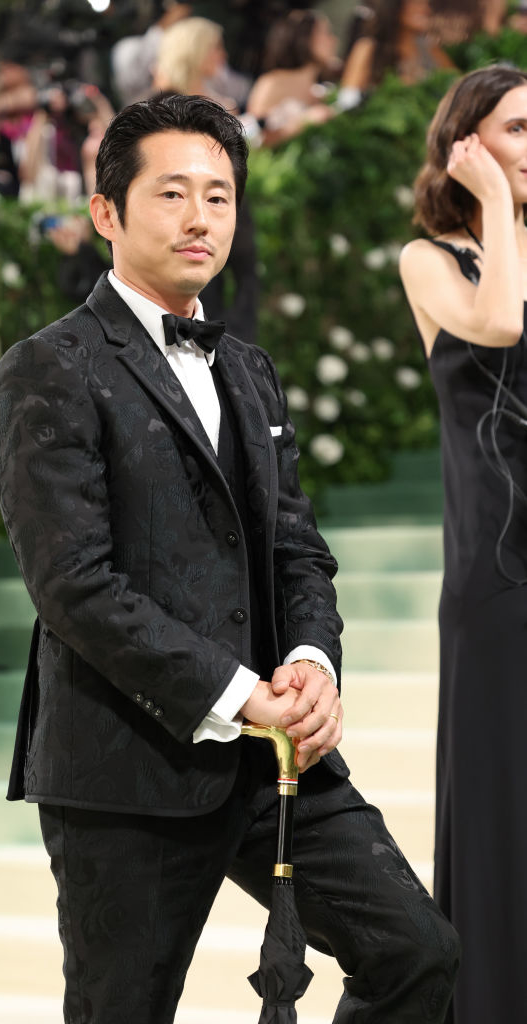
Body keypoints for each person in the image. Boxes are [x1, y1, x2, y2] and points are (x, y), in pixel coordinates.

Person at [0, 92, 459, 1024]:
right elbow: (72, 586)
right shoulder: (49, 366)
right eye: (171, 193)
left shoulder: (246, 365)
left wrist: (313, 664)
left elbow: (295, 545)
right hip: (126, 762)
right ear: (106, 214)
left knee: (416, 952)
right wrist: (241, 693)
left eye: (219, 195)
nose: (200, 216)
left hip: (275, 757)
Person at [399, 64, 527, 1024]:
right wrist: (492, 203)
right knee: (500, 809)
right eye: (517, 130)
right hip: (497, 571)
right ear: (467, 143)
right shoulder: (432, 259)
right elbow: (498, 321)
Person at [245, 9, 338, 147]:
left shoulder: (321, 93)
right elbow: (250, 139)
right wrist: (303, 122)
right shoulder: (272, 83)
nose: (334, 40)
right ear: (306, 39)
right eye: (326, 33)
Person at [340, 0, 455, 102]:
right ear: (393, 5)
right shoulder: (368, 48)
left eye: (427, 2)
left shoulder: (431, 49)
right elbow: (347, 100)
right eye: (416, 2)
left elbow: (457, 86)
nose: (426, 8)